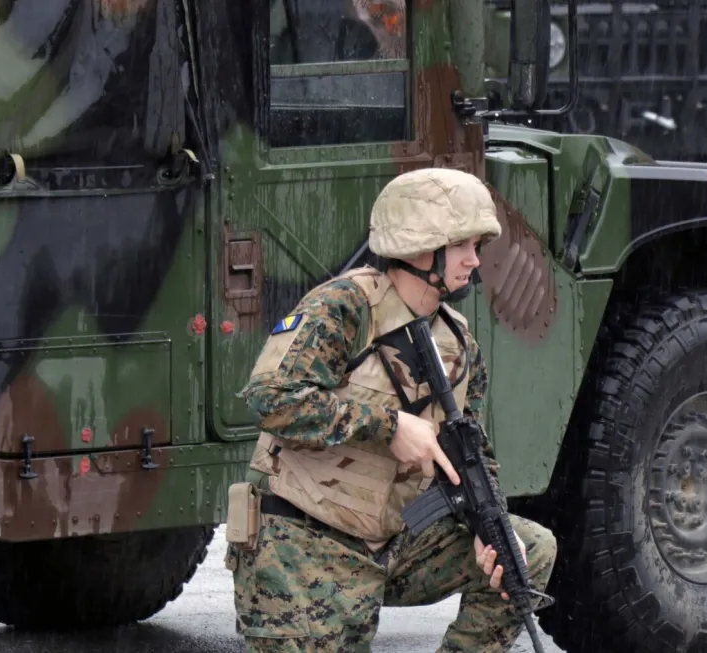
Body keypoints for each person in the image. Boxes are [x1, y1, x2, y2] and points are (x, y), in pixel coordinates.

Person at [224, 167, 558, 653]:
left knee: (528, 551)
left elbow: (472, 455)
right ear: (423, 245)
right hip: (304, 546)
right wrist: (388, 426)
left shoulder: (458, 341)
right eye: (463, 245)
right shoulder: (346, 308)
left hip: (395, 544)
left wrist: (490, 530)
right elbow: (271, 399)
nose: (474, 261)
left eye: (477, 248)